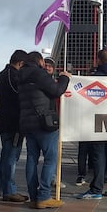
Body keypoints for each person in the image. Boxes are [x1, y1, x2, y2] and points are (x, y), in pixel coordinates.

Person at [18, 51, 70, 209]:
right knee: (50, 158)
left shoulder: (20, 76)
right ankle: (44, 196)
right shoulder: (39, 74)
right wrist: (64, 77)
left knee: (32, 159)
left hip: (27, 123)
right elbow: (56, 90)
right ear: (40, 61)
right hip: (44, 123)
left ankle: (34, 197)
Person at [76, 49, 107, 199]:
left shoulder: (95, 77)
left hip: (97, 121)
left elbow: (84, 97)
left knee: (98, 155)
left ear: (98, 60)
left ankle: (96, 189)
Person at [0, 49, 28, 202]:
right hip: (13, 123)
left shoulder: (0, 75)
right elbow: (20, 97)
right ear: (21, 63)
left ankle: (2, 188)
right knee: (11, 157)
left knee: (5, 155)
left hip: (2, 121)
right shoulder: (14, 77)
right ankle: (9, 190)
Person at [44, 57, 67, 189]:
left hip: (55, 121)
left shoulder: (56, 83)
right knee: (48, 155)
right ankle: (47, 181)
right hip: (43, 122)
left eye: (50, 66)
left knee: (54, 153)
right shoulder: (40, 82)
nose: (47, 67)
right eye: (45, 65)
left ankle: (53, 178)